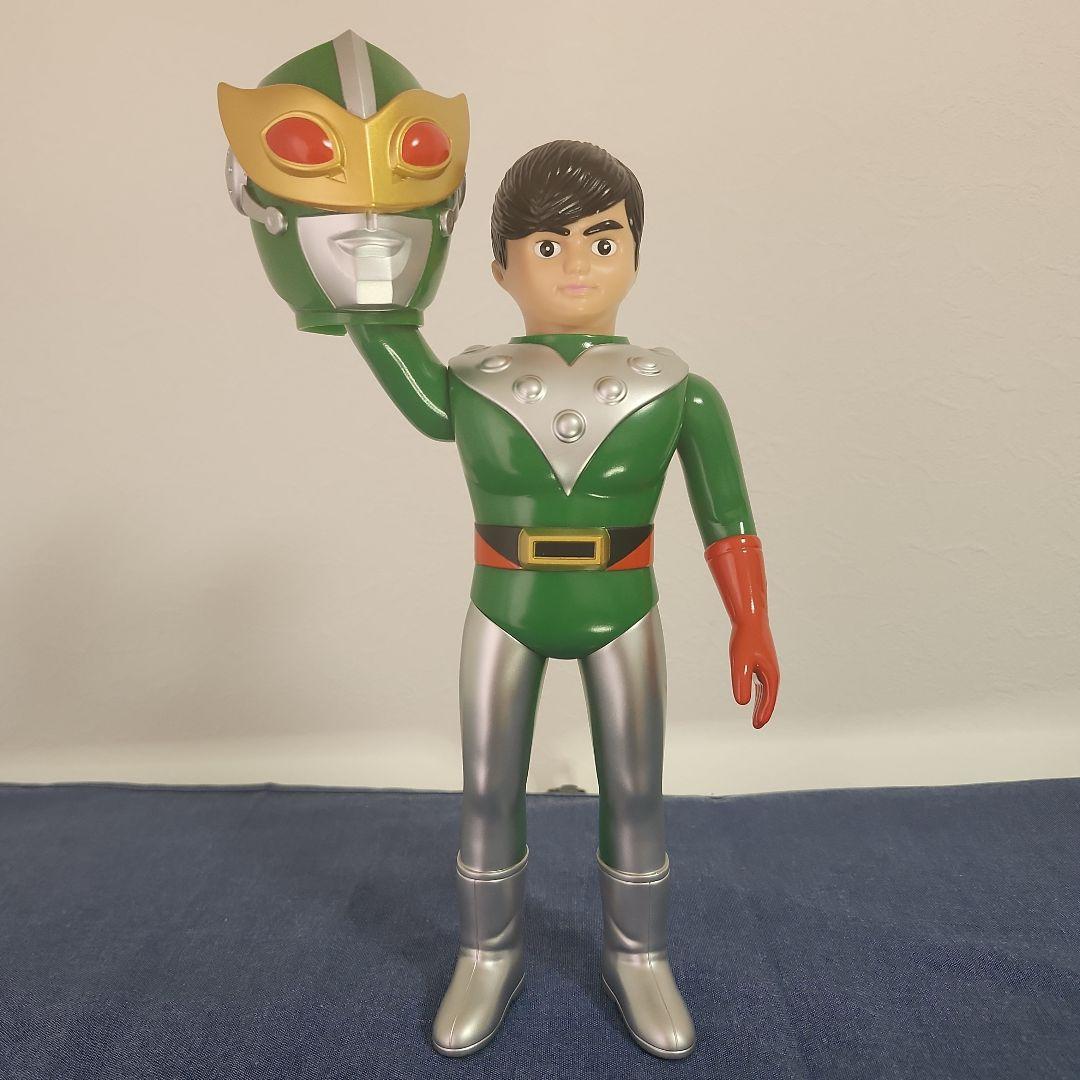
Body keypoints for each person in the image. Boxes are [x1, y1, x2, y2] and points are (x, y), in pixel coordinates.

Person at [219, 33, 779, 1062]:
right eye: (549, 246)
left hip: (624, 604)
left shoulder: (680, 389)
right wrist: (357, 254)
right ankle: (489, 950)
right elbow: (388, 337)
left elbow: (728, 519)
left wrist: (753, 621)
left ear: (637, 253)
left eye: (603, 240)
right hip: (504, 605)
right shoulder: (470, 380)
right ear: (500, 265)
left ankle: (638, 952)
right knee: (488, 790)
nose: (579, 264)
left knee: (637, 791)